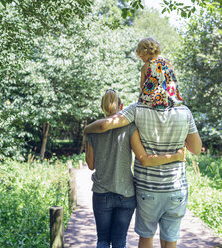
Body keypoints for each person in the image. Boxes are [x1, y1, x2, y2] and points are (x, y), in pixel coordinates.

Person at [84, 39, 202, 248]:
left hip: (147, 189)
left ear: (147, 78)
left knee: (145, 237)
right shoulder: (185, 113)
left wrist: (87, 130)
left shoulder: (137, 109)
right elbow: (195, 149)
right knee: (170, 239)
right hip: (176, 188)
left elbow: (107, 125)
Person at [85, 89, 187, 248]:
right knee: (119, 241)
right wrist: (176, 156)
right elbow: (144, 158)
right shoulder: (130, 128)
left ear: (101, 107)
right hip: (126, 194)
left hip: (101, 193)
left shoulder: (91, 131)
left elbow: (91, 165)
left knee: (103, 240)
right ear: (122, 105)